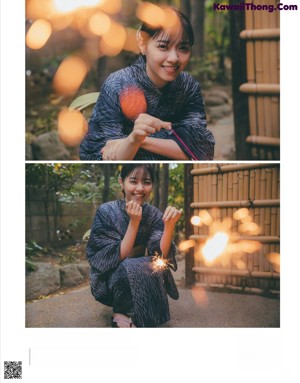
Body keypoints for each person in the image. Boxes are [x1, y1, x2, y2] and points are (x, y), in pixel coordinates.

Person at [80, 6, 215, 161]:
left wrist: (137, 141)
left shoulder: (189, 87)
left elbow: (202, 149)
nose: (174, 58)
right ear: (143, 44)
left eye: (183, 48)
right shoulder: (118, 84)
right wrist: (170, 141)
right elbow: (106, 154)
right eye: (163, 46)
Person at [86, 164, 182, 327]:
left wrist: (169, 226)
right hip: (111, 278)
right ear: (121, 183)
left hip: (142, 271)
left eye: (146, 182)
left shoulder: (153, 214)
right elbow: (115, 255)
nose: (140, 188)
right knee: (128, 266)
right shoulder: (106, 211)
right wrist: (134, 221)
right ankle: (121, 313)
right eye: (133, 181)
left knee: (154, 265)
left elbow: (161, 256)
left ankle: (135, 314)